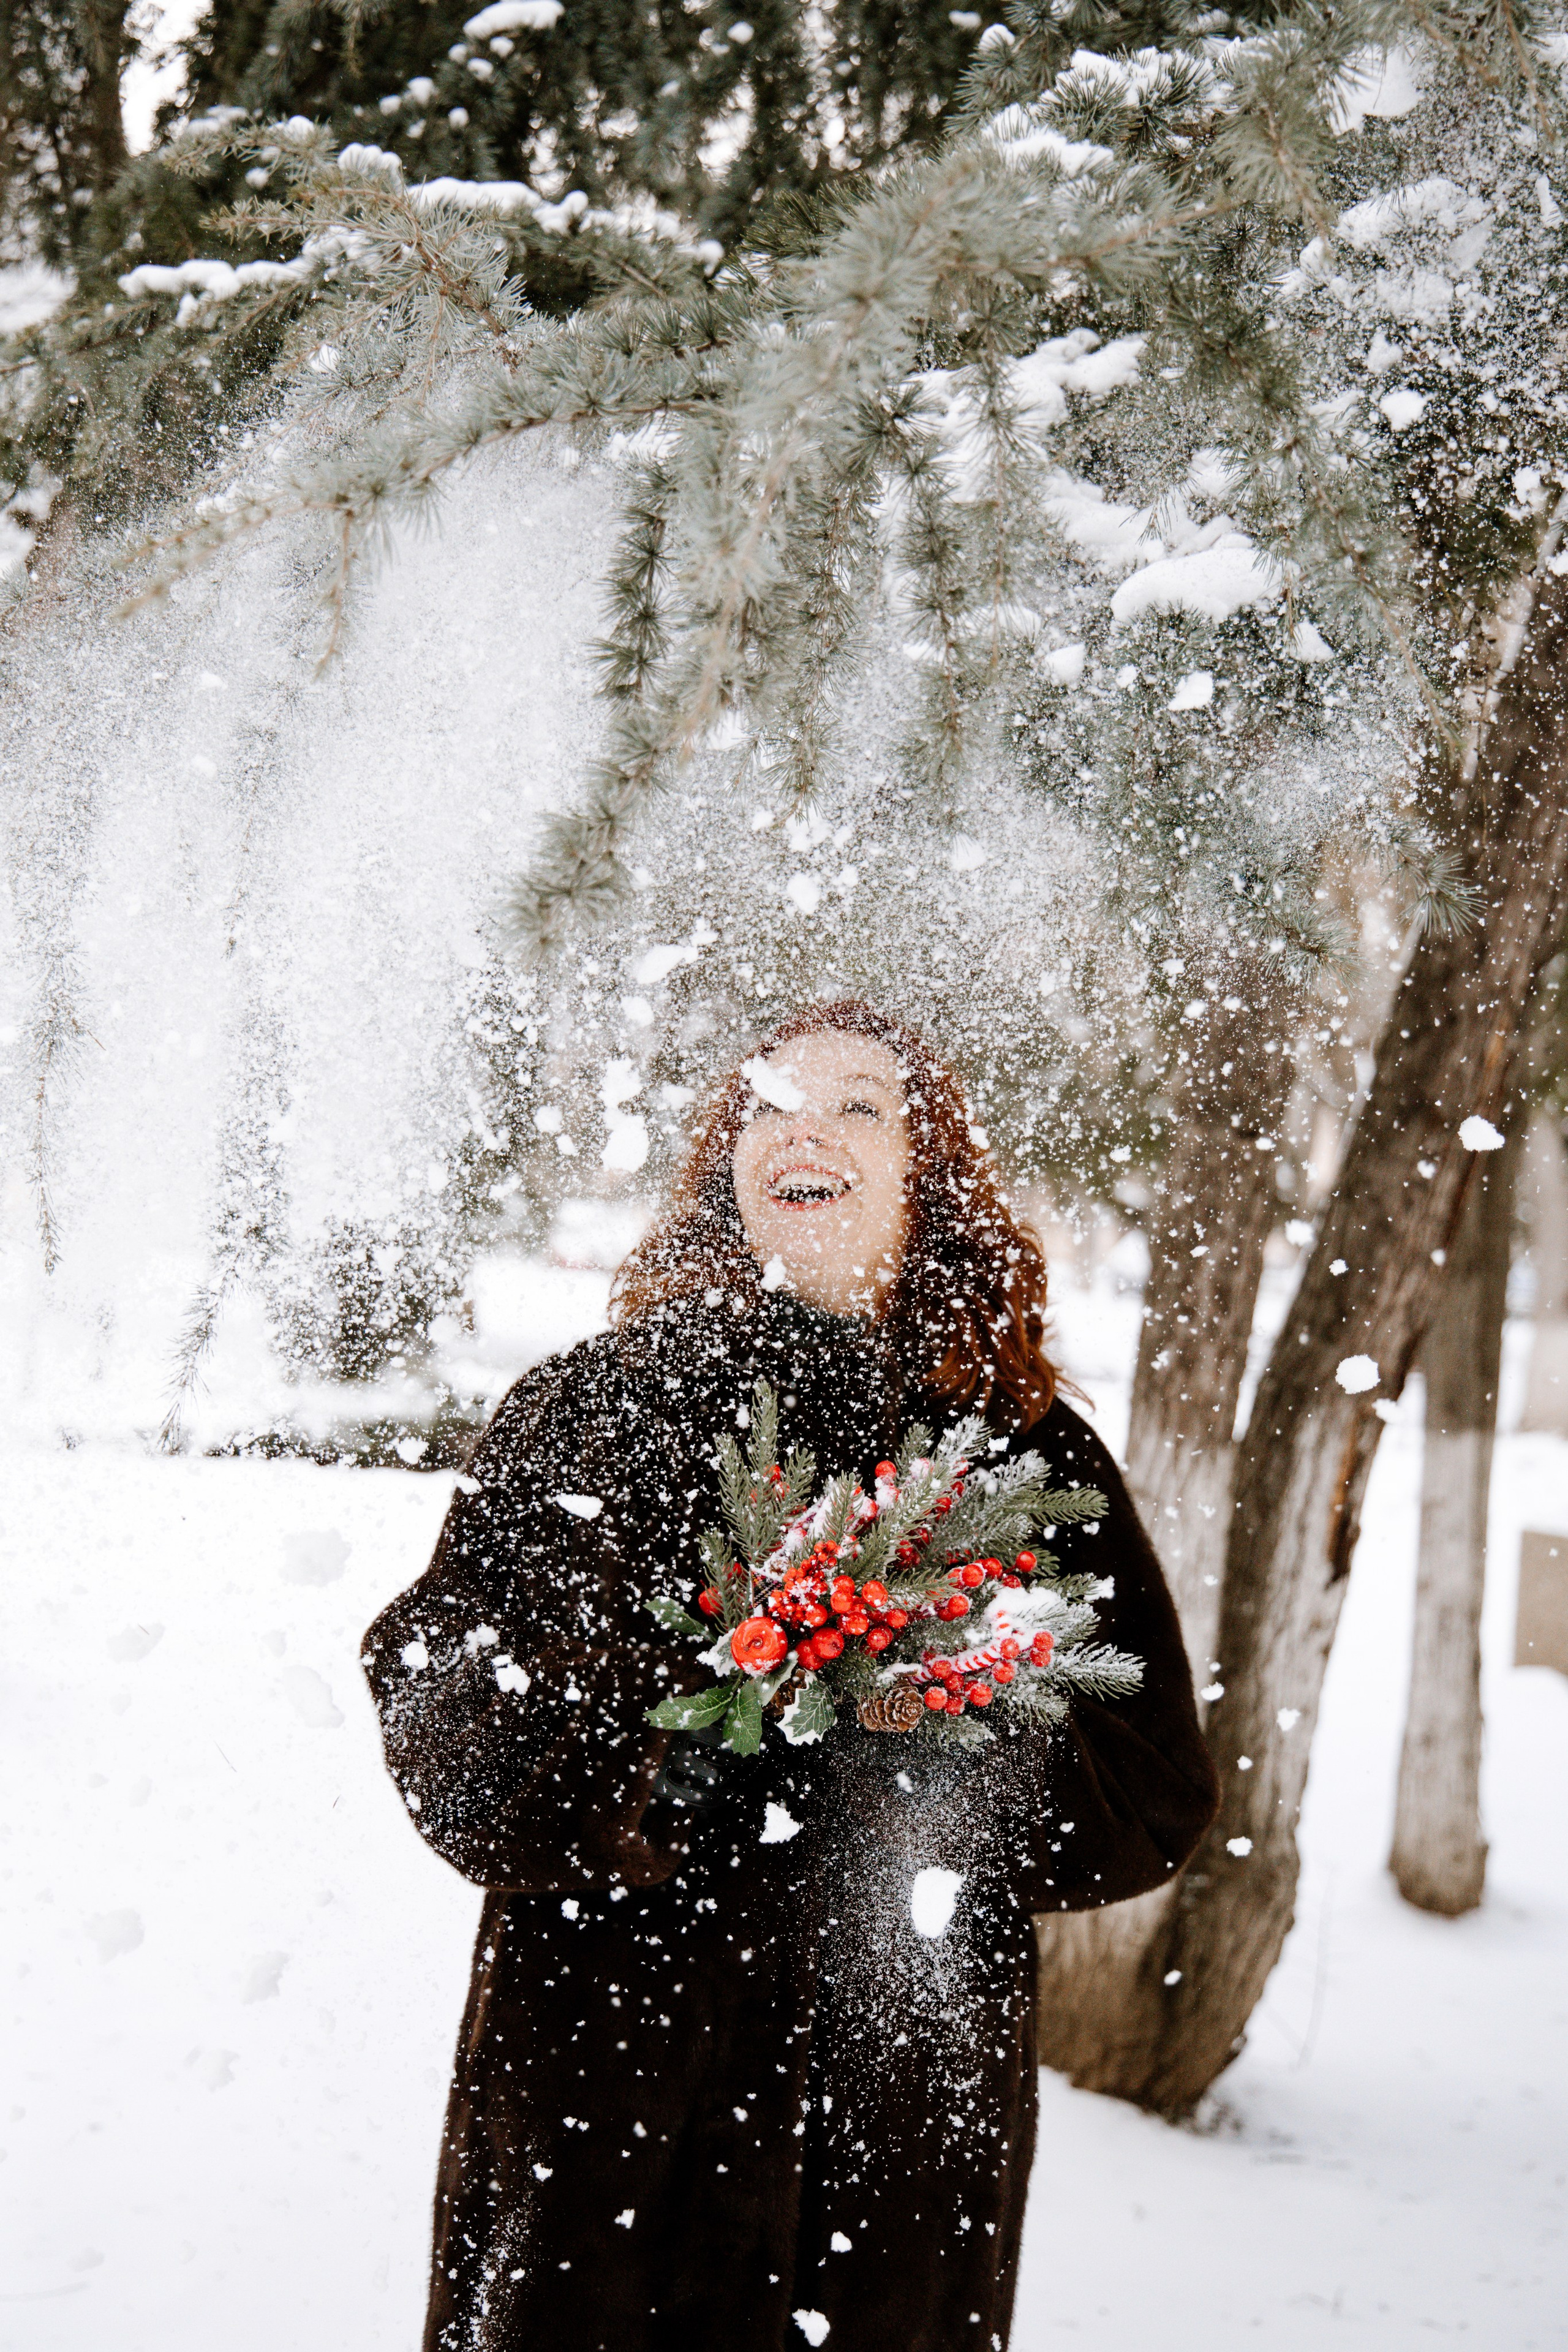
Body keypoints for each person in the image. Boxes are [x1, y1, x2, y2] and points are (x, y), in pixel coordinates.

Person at [363, 998, 1218, 2352]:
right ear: (729, 1165)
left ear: (928, 1178)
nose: (804, 1127)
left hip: (895, 2128)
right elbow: (441, 1708)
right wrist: (650, 1736)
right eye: (769, 1104)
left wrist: (932, 1729)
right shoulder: (585, 1412)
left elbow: (1150, 1793)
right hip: (600, 2116)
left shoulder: (1022, 1453)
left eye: (858, 1106)